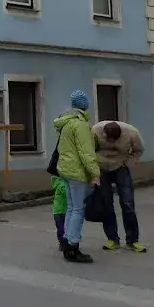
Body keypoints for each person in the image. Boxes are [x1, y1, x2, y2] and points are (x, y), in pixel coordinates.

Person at [54, 90, 101, 264]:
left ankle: (67, 240)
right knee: (78, 209)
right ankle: (73, 246)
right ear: (84, 105)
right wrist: (95, 173)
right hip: (77, 172)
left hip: (65, 170)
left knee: (71, 207)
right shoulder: (80, 125)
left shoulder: (66, 123)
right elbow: (86, 152)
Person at [91, 120, 146, 253]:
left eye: (114, 140)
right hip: (102, 167)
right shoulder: (95, 131)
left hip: (121, 166)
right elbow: (89, 151)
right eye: (108, 140)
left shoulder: (132, 133)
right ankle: (112, 239)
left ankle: (132, 240)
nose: (110, 143)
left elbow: (138, 150)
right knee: (106, 203)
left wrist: (128, 164)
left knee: (127, 203)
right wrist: (93, 173)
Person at [51, 175, 68, 251]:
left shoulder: (58, 182)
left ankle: (62, 243)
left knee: (60, 228)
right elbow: (66, 193)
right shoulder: (62, 183)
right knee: (63, 227)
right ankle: (63, 243)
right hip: (62, 210)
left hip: (57, 210)